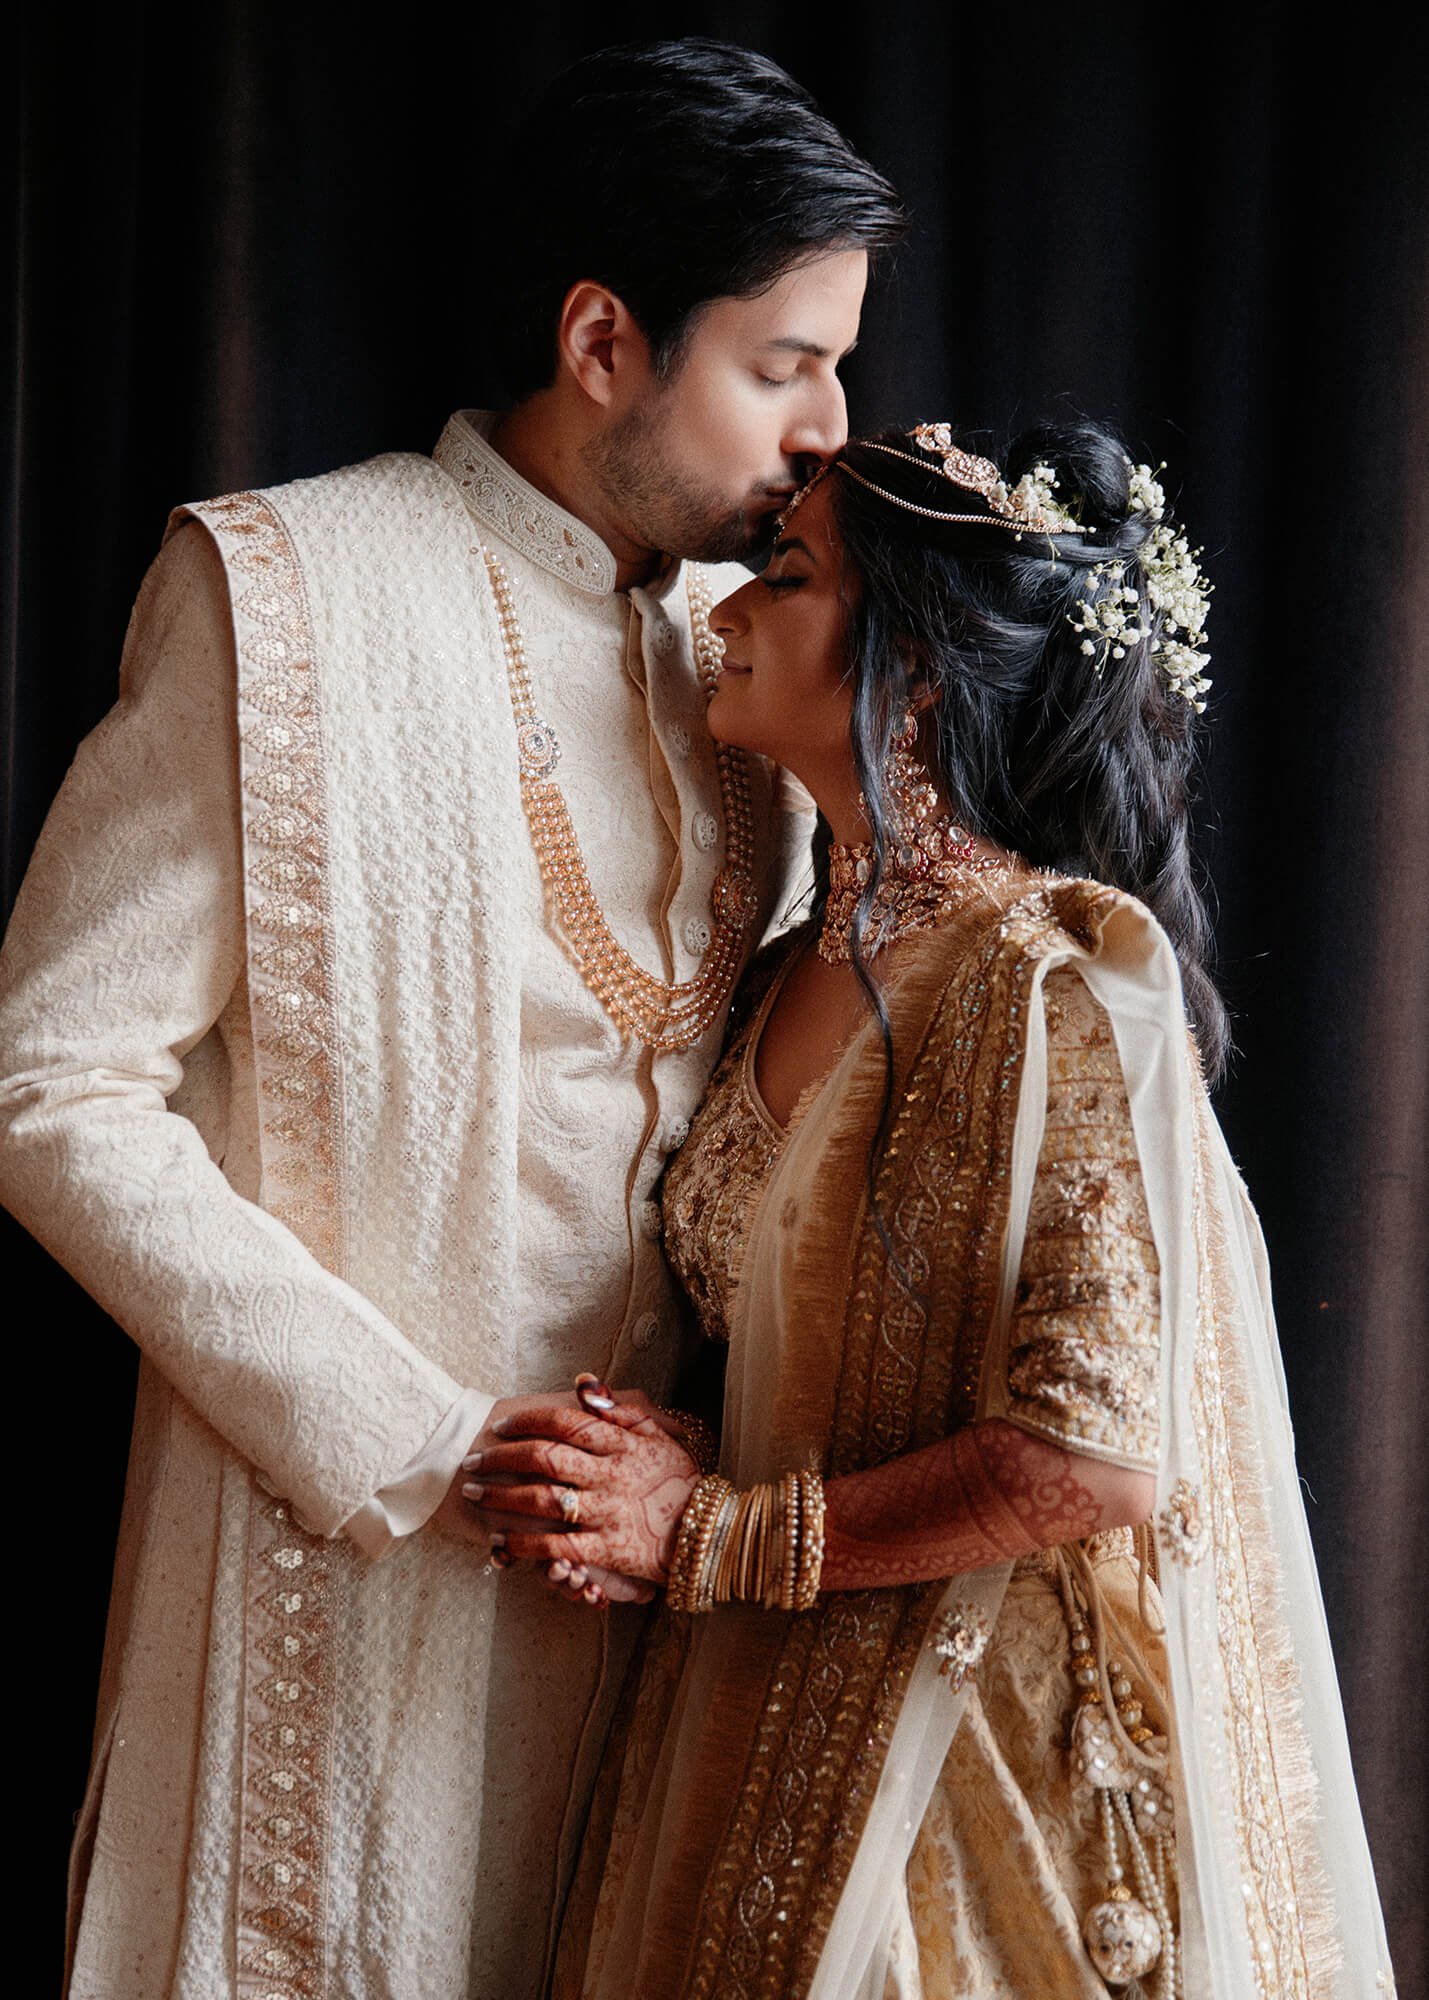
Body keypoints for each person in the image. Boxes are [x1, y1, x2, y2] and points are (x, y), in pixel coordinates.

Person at [0, 40, 906, 2000]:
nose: (830, 428)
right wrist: (419, 1441)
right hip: (349, 1549)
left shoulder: (745, 664)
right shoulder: (284, 589)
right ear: (602, 338)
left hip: (670, 1586)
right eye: (783, 364)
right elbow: (58, 1085)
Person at [476, 423, 1396, 1997]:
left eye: (786, 576)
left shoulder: (1053, 985)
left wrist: (710, 1528)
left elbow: (1089, 1455)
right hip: (756, 1710)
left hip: (972, 1778)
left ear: (916, 670)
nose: (725, 614)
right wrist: (692, 1461)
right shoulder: (779, 968)